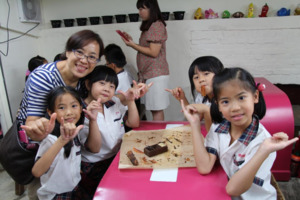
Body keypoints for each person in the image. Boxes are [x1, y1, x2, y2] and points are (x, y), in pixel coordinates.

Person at [181, 67, 299, 199]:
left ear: (255, 97)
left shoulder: (264, 142)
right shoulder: (218, 128)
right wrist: (195, 125)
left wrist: (264, 150)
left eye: (241, 98)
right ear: (218, 105)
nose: (235, 108)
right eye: (225, 102)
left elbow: (233, 189)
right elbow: (204, 167)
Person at [17, 29, 104, 200]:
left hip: (67, 140)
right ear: (68, 51)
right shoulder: (43, 77)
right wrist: (40, 127)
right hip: (42, 146)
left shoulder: (83, 80)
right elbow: (32, 123)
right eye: (80, 52)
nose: (84, 60)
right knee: (45, 190)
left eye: (92, 56)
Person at [75, 66, 140, 199]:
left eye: (111, 86)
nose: (107, 89)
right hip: (94, 167)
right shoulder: (80, 111)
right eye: (102, 83)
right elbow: (94, 148)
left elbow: (133, 123)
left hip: (117, 158)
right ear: (88, 84)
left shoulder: (112, 102)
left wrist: (131, 100)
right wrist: (93, 120)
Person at [25, 86, 101, 200]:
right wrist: (62, 141)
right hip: (56, 195)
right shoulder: (50, 140)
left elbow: (94, 149)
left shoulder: (75, 132)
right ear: (51, 112)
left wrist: (93, 120)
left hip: (74, 188)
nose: (69, 112)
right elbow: (37, 171)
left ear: (81, 108)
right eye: (61, 107)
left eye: (74, 106)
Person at [119, 0, 169, 121]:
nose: (139, 12)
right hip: (149, 74)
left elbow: (153, 52)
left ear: (151, 9)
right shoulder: (150, 26)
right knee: (153, 109)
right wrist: (132, 42)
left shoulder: (157, 25)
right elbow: (147, 48)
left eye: (142, 9)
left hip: (155, 73)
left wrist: (132, 45)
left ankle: (159, 137)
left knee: (156, 110)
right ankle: (157, 135)